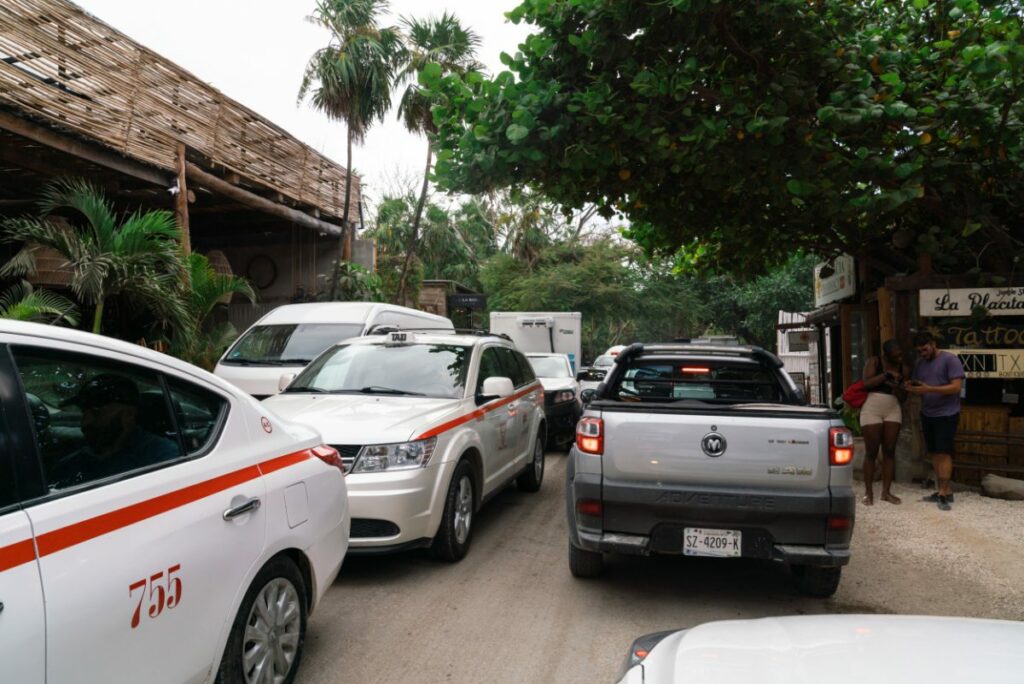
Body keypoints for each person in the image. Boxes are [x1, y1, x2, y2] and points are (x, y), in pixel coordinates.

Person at [50, 374, 181, 489]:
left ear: (129, 414)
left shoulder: (161, 456)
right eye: (84, 412)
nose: (85, 422)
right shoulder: (72, 462)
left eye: (97, 412)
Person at [905, 331, 965, 511]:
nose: (922, 354)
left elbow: (956, 387)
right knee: (934, 452)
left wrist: (929, 389)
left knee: (943, 452)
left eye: (924, 349)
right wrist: (910, 386)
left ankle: (943, 492)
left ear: (933, 344)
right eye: (919, 351)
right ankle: (944, 490)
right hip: (928, 413)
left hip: (947, 413)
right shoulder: (920, 363)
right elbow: (919, 383)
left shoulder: (950, 360)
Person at [859, 339, 910, 505]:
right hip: (872, 408)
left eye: (901, 354)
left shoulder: (904, 368)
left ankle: (886, 492)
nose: (900, 358)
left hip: (892, 407)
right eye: (896, 356)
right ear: (886, 356)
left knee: (889, 450)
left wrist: (898, 387)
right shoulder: (875, 362)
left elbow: (903, 397)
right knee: (871, 451)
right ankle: (868, 493)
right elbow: (866, 384)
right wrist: (886, 375)